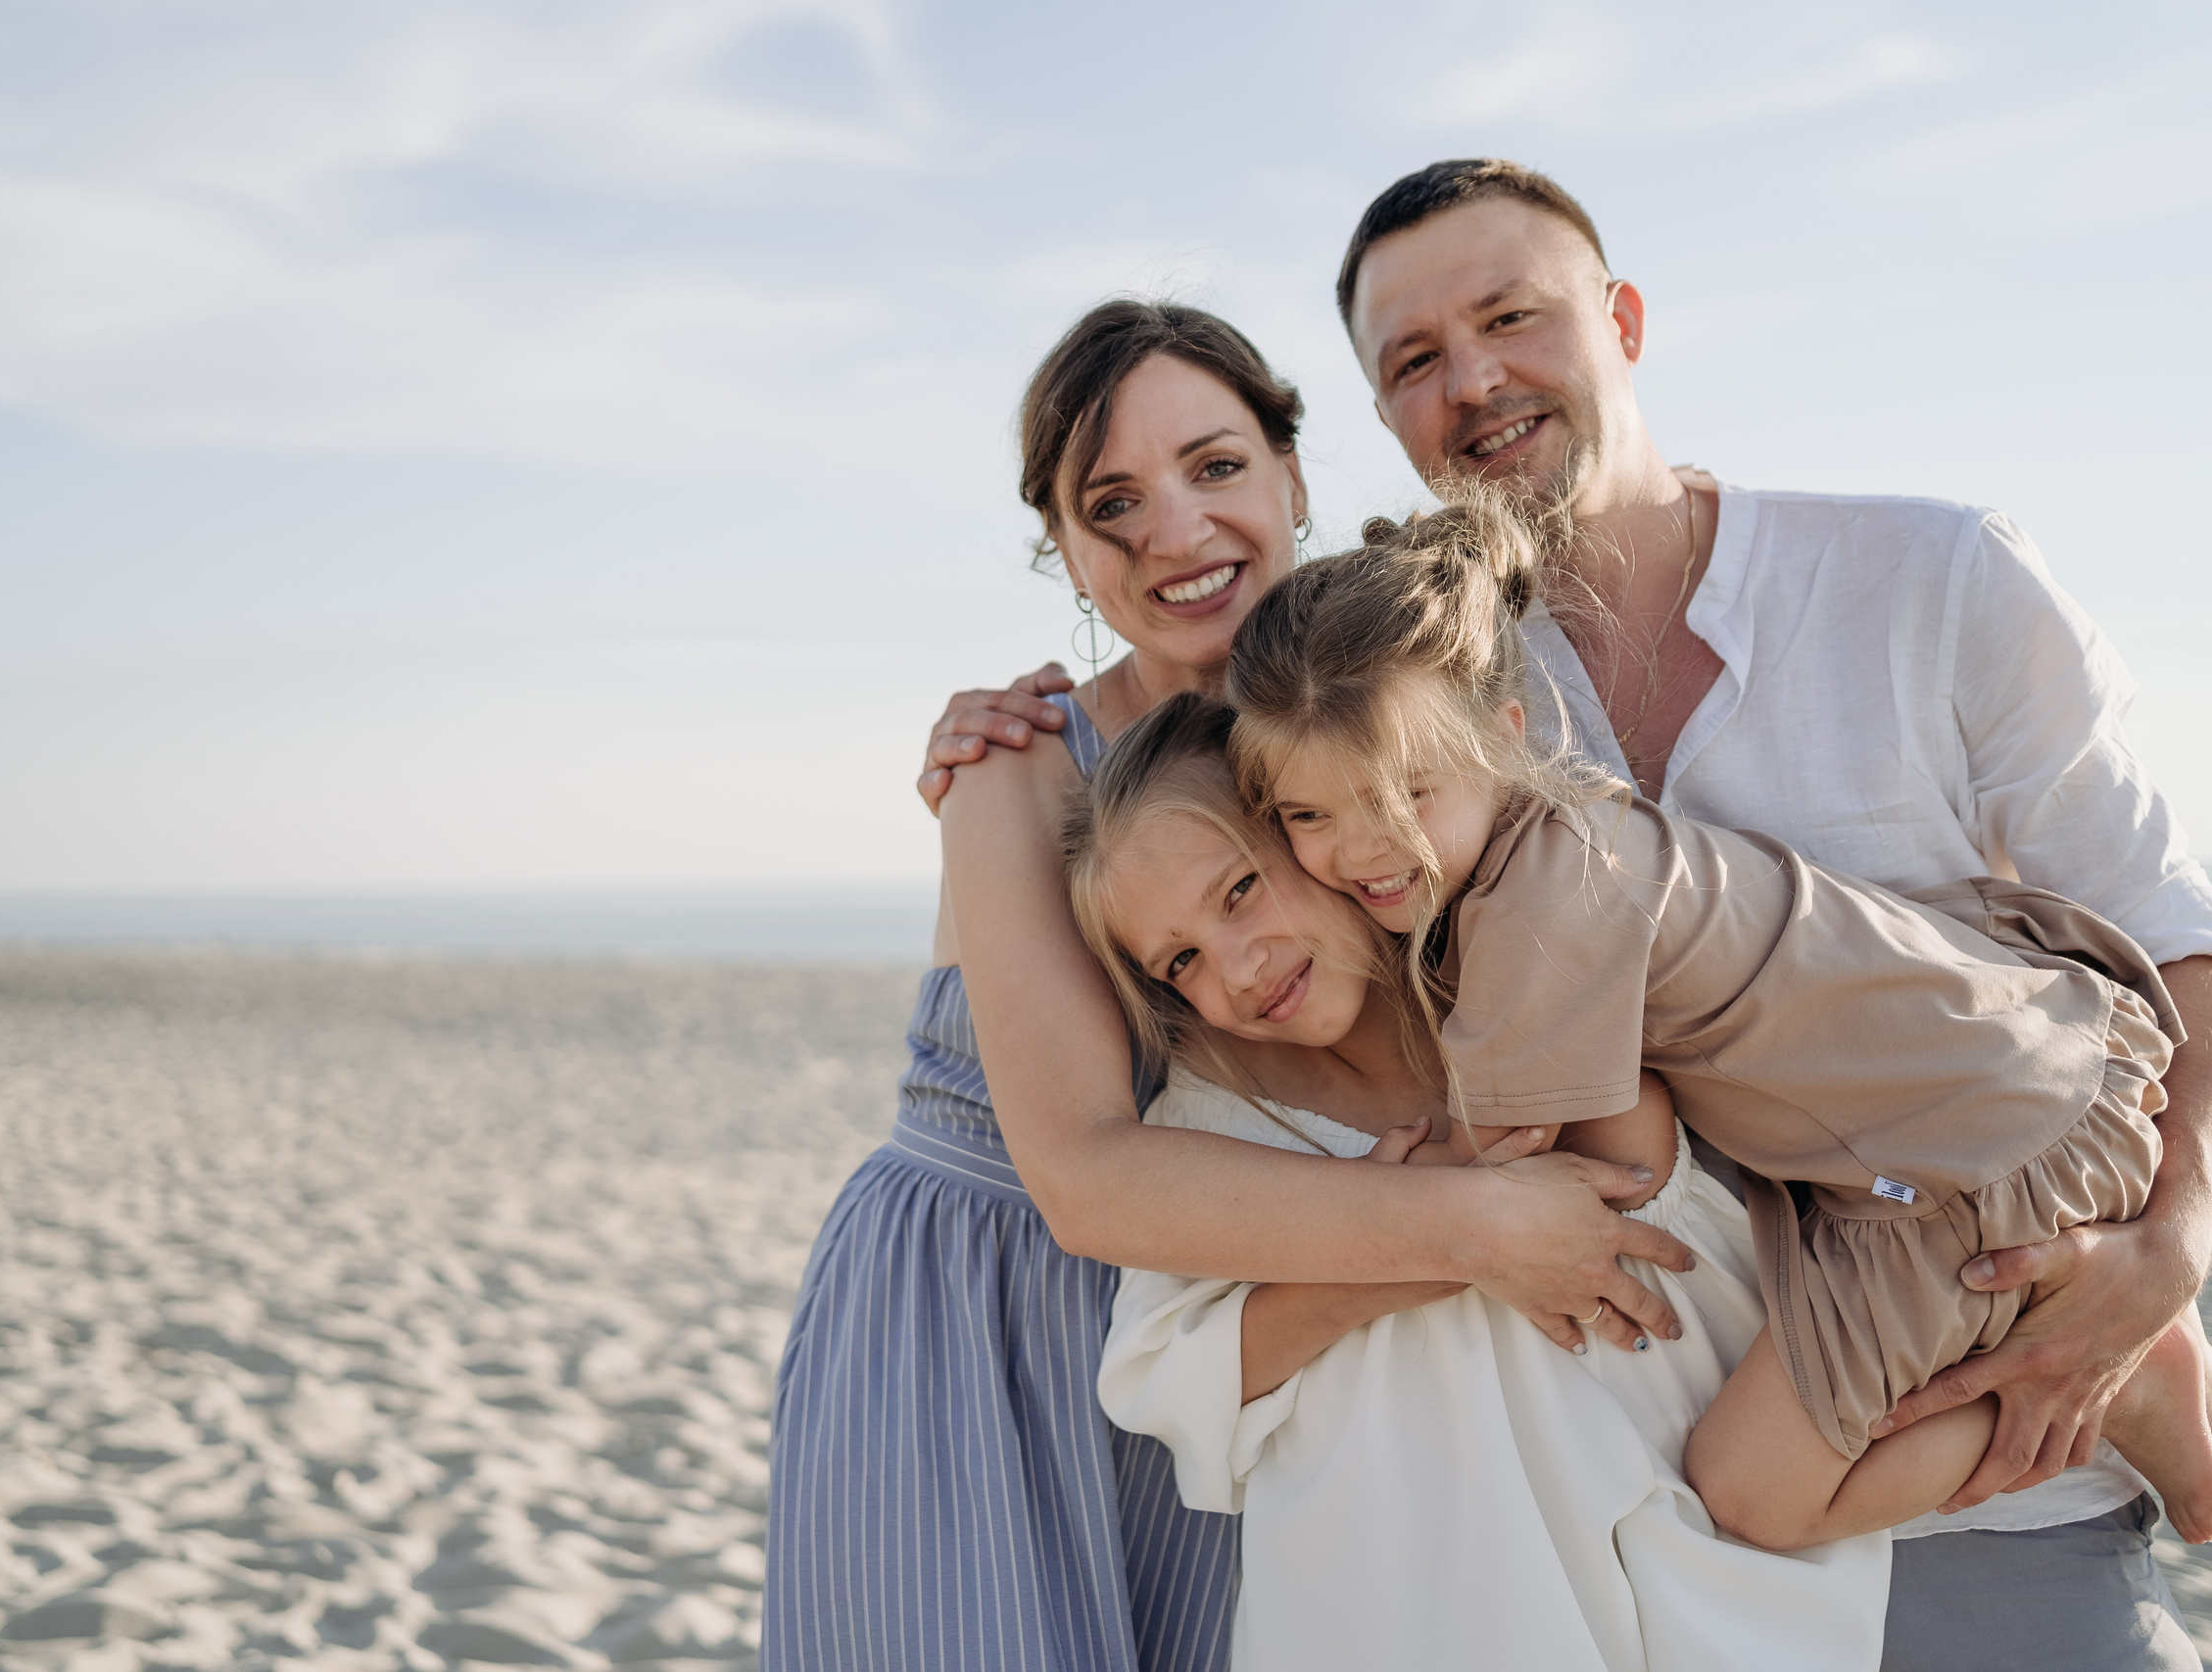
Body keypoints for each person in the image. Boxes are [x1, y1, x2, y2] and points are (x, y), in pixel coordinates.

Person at [923, 156, 2212, 1667]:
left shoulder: (1927, 575)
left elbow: (2168, 938)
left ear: (1625, 319)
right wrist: (1022, 722)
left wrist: (2172, 1243)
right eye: (1413, 360)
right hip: (1703, 1471)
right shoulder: (1401, 688)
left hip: (2010, 1464)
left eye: (1511, 315)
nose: (1473, 380)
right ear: (1381, 419)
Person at [770, 299, 1697, 1671]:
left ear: (1294, 475)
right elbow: (1083, 1173)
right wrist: (1473, 1217)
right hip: (985, 1305)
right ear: (1064, 551)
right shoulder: (1020, 762)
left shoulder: (1377, 709)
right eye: (1112, 503)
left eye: (1214, 467)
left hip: (1242, 1300)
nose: (1175, 531)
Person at [1224, 499, 2211, 1559]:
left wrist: (1402, 1196)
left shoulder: (1539, 913)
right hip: (1984, 1069)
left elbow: (1611, 1162)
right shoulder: (1559, 833)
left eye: (1403, 793)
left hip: (1960, 1156)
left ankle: (2114, 1389)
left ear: (1505, 739)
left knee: (1752, 1494)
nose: (1361, 849)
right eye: (1306, 816)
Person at [1064, 691, 1889, 1670]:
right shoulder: (1209, 1124)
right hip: (1396, 1611)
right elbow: (1174, 1376)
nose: (1237, 969)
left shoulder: (1527, 999)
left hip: (1657, 1551)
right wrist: (1416, 1240)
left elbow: (1628, 1191)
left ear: (1316, 833)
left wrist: (1448, 1202)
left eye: (1240, 889)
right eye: (1181, 960)